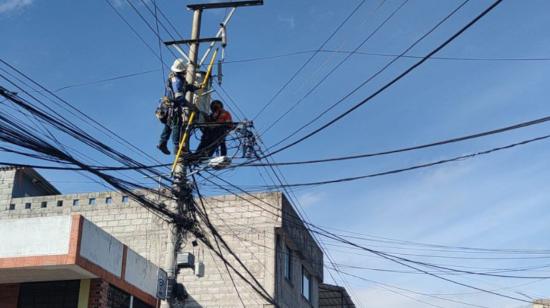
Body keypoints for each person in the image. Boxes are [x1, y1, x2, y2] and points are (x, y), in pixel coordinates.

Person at [157, 58, 199, 155]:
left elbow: (186, 87)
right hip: (172, 107)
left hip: (167, 106)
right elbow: (179, 97)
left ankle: (162, 143)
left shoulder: (177, 77)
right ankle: (177, 148)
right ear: (182, 69)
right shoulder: (177, 80)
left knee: (169, 125)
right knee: (176, 125)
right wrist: (191, 106)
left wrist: (195, 88)